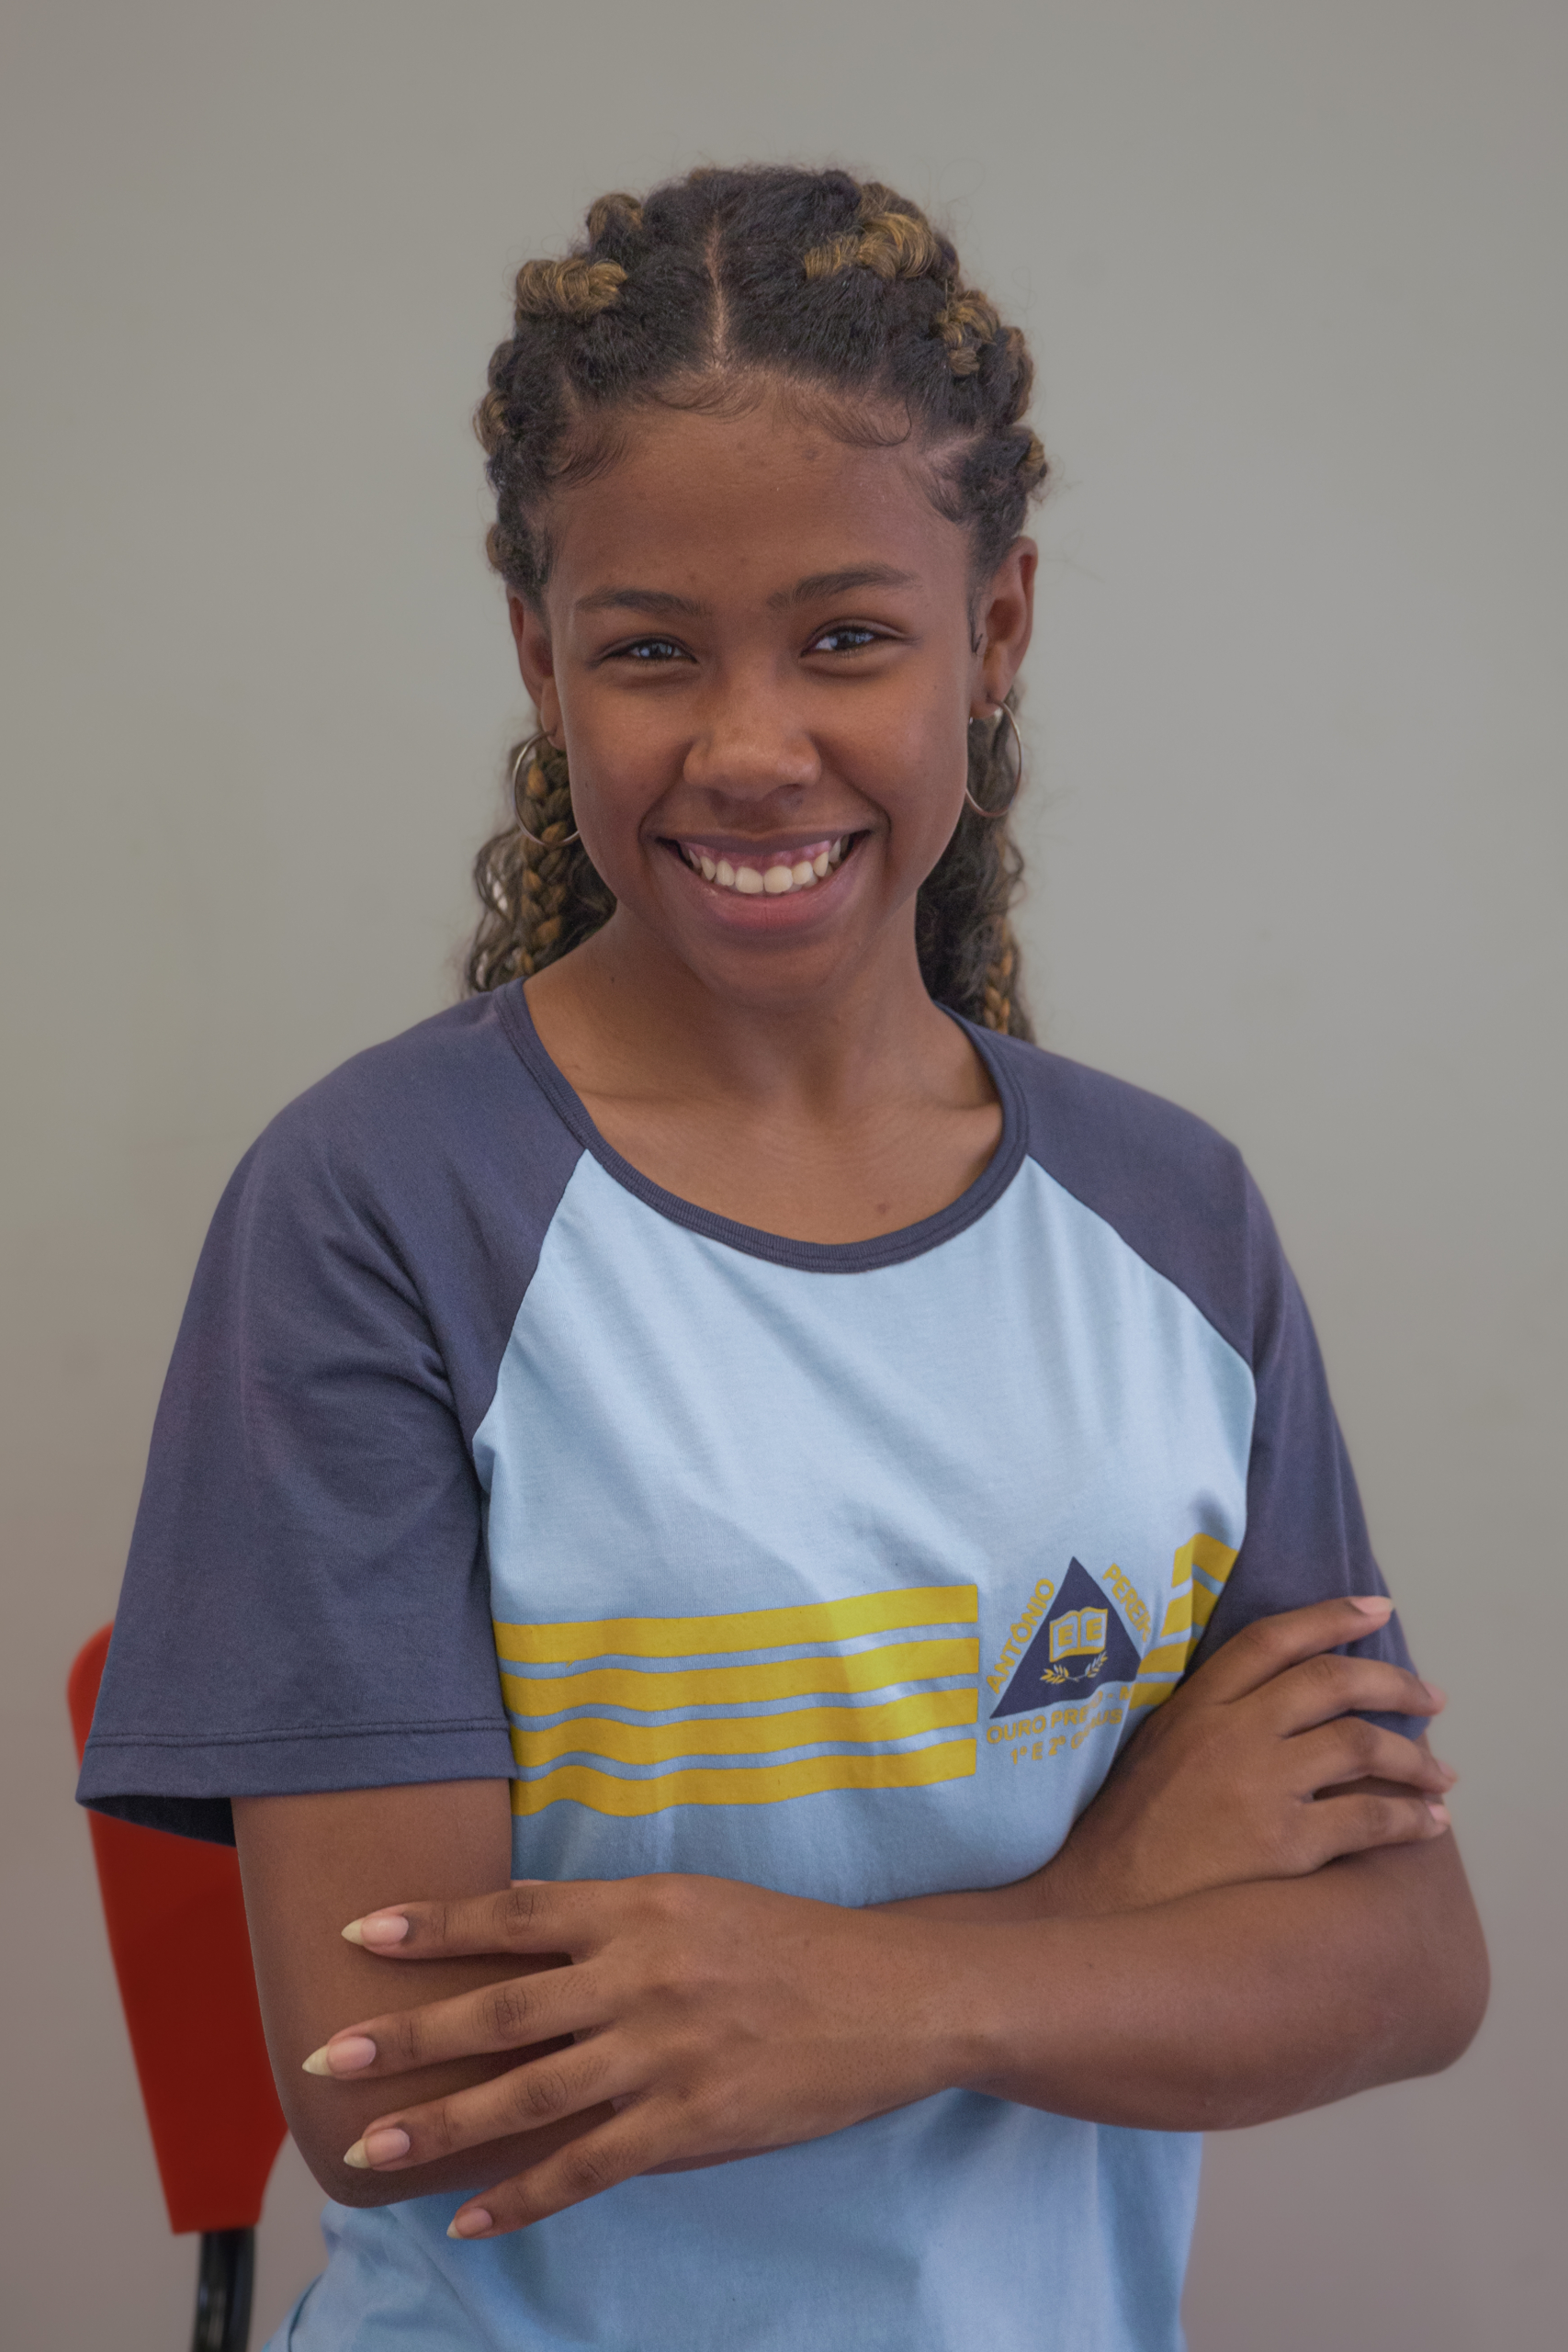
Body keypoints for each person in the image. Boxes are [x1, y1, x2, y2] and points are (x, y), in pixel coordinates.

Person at [78, 165, 1486, 2352]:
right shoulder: (375, 1210)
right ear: (537, 650)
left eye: (845, 636)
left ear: (993, 629)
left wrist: (886, 1989)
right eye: (651, 647)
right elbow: (399, 2096)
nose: (749, 746)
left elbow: (1400, 1959)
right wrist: (1095, 1905)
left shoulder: (1172, 1221)